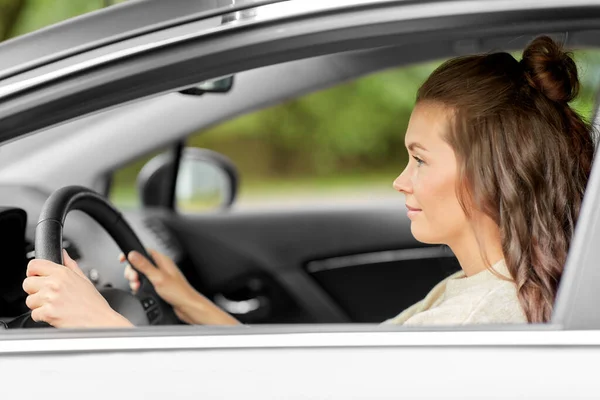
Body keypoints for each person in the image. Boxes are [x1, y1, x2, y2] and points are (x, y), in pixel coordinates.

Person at [21, 35, 595, 328]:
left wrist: (104, 326)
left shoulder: (482, 318)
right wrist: (187, 300)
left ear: (491, 177)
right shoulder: (479, 292)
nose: (400, 181)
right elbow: (318, 376)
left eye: (420, 159)